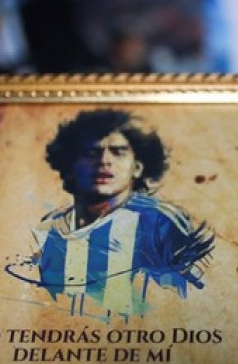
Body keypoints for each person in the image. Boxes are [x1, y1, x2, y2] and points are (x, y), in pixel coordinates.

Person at [28, 109, 215, 322]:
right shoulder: (48, 230)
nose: (104, 161)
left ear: (137, 167)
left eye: (118, 152)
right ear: (69, 167)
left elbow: (198, 304)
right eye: (91, 152)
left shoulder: (161, 224)